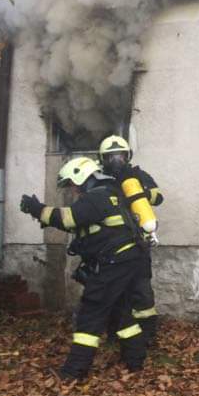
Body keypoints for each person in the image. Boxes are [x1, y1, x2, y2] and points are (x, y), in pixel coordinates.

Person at [20, 156, 148, 380]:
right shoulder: (111, 194)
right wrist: (46, 217)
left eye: (72, 184)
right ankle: (135, 359)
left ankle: (74, 371)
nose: (73, 190)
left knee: (92, 310)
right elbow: (84, 225)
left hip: (114, 262)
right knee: (119, 309)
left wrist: (37, 209)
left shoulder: (95, 197)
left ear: (82, 176)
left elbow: (68, 219)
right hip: (128, 260)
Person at [98, 135, 163, 343]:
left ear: (128, 156)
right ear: (103, 159)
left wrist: (136, 189)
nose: (116, 160)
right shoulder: (99, 179)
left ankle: (147, 334)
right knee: (112, 290)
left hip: (138, 242)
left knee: (141, 290)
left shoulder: (137, 175)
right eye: (111, 157)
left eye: (121, 156)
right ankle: (114, 333)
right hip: (110, 245)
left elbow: (158, 197)